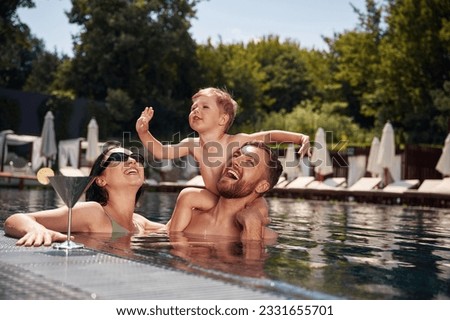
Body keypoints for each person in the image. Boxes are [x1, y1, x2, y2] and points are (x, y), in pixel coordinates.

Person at [136, 87, 310, 232]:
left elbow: (269, 136)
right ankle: (171, 234)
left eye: (205, 107)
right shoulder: (192, 145)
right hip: (215, 199)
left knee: (259, 207)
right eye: (193, 107)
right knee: (187, 196)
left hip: (243, 200)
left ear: (222, 119)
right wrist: (144, 133)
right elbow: (161, 152)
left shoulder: (235, 141)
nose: (196, 110)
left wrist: (300, 139)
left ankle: (256, 229)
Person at [4, 145, 165, 247]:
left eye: (137, 158)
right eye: (118, 158)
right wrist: (37, 230)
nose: (132, 161)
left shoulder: (139, 222)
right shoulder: (94, 213)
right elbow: (15, 219)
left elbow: (176, 227)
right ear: (101, 180)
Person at [167, 141, 284, 241]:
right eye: (236, 155)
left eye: (249, 162)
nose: (235, 161)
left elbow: (251, 267)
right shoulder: (188, 217)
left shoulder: (265, 237)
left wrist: (252, 228)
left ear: (261, 186)